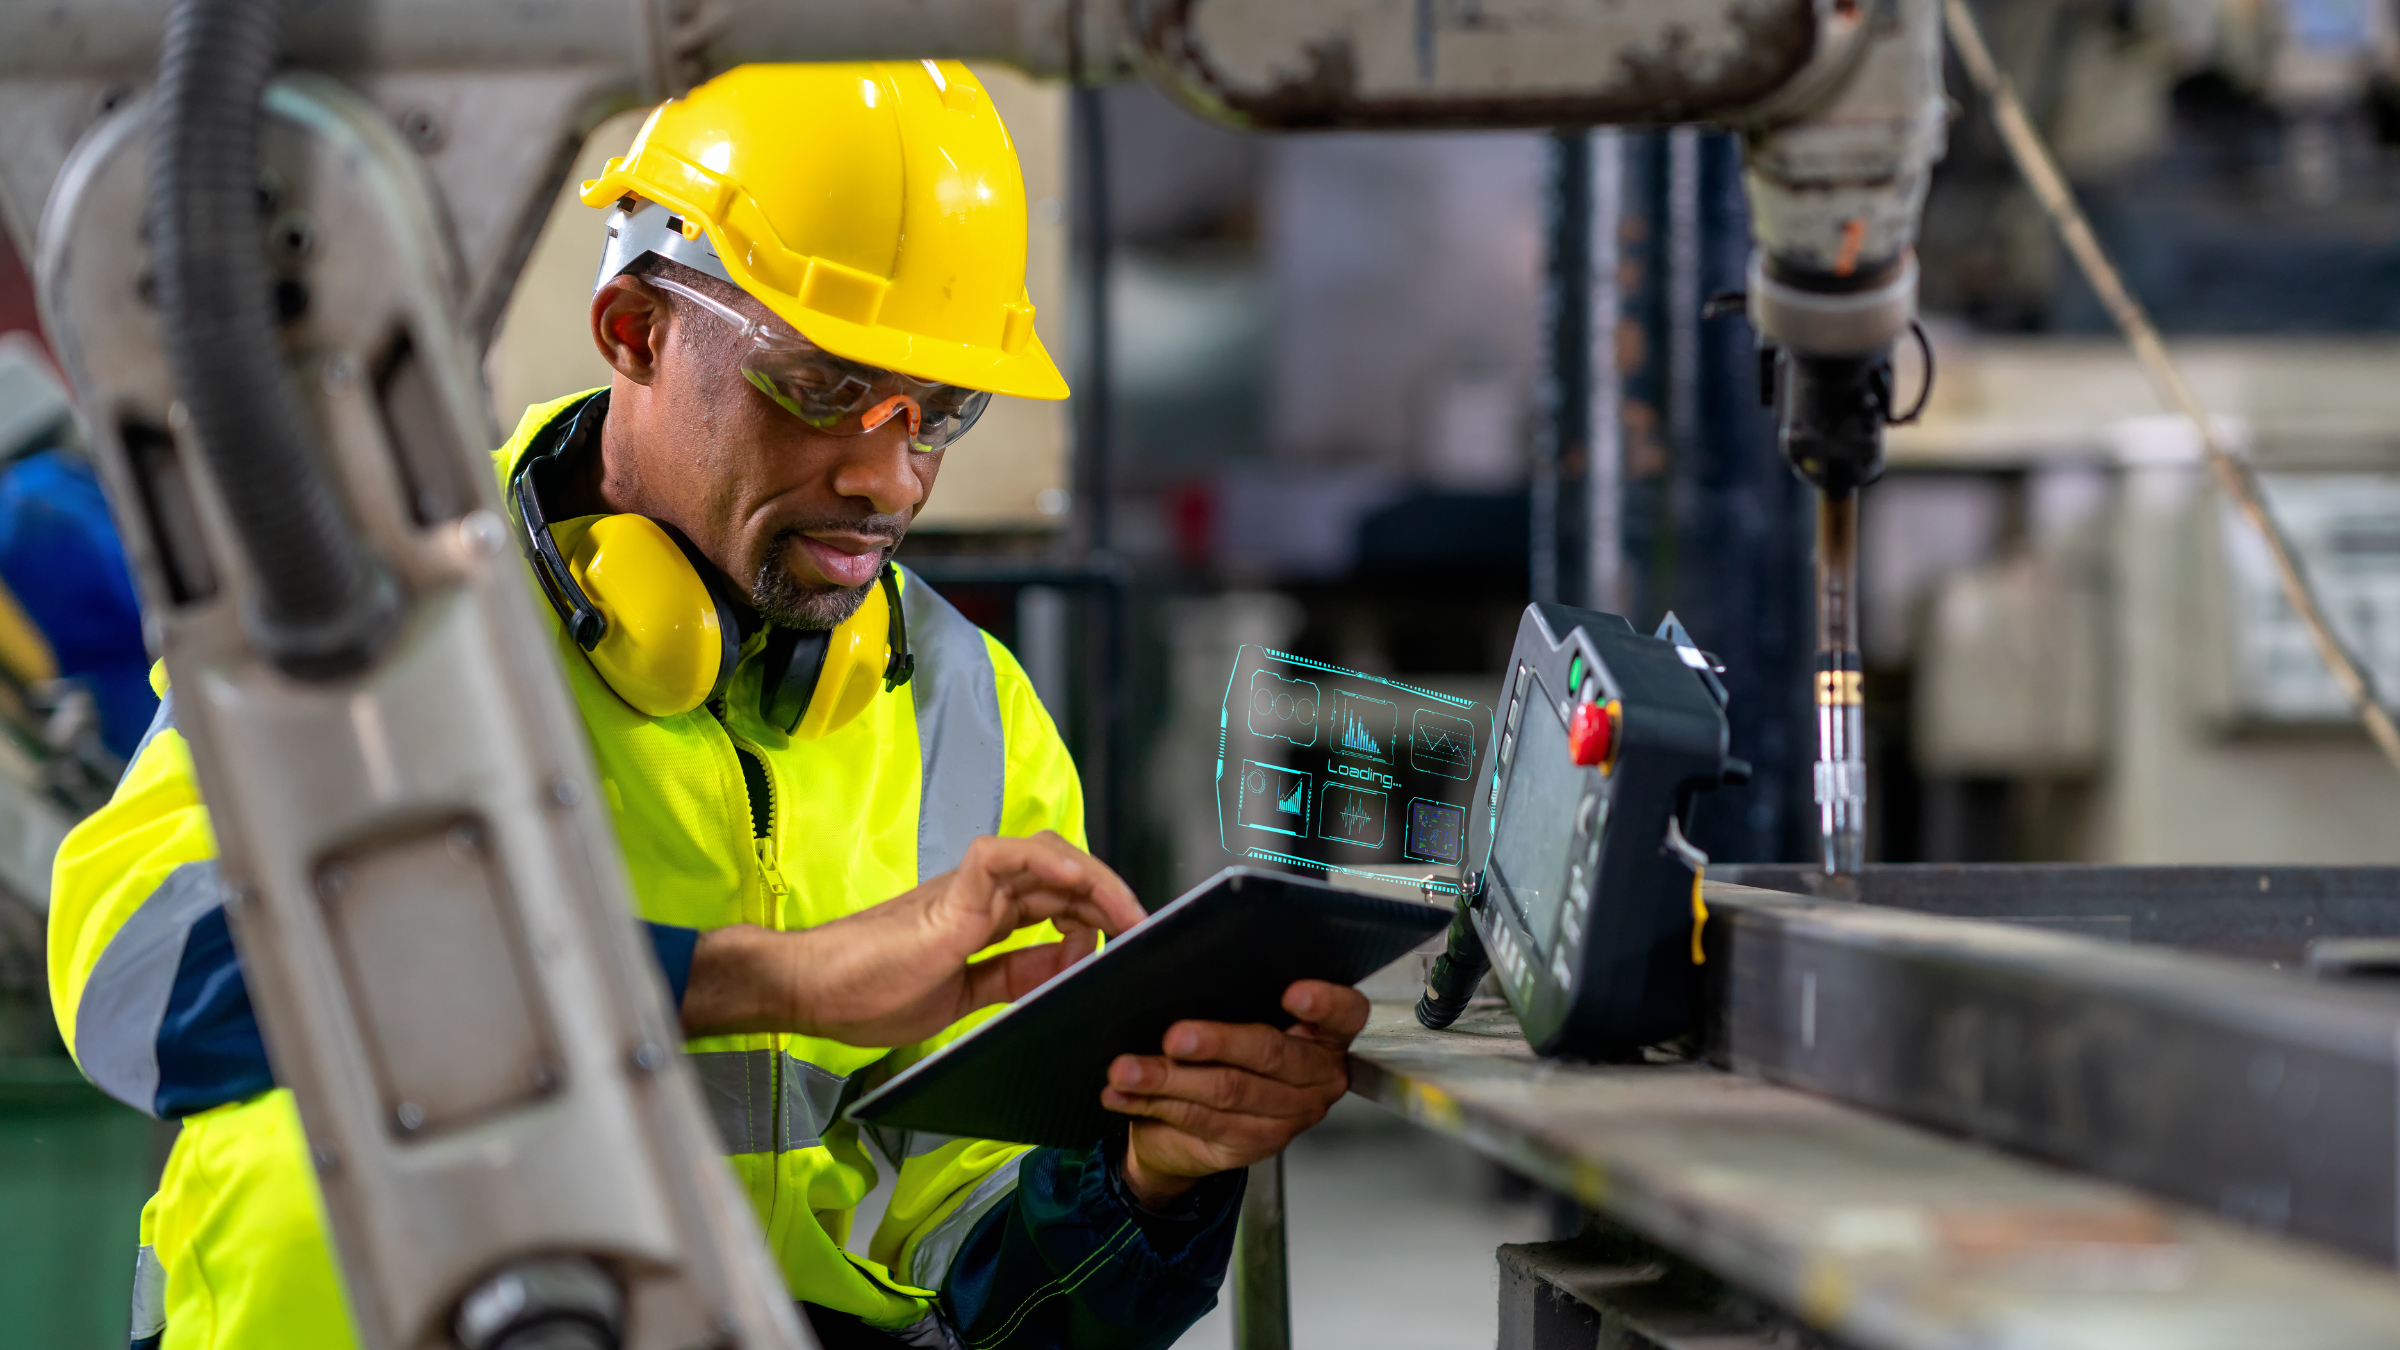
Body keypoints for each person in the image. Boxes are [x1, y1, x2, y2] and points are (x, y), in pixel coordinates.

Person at [49, 62, 1370, 1350]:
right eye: (826, 388)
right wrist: (769, 979)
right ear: (635, 328)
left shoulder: (966, 709)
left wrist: (1152, 1178)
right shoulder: (387, 624)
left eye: (937, 412)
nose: (886, 481)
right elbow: (140, 978)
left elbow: (975, 1288)